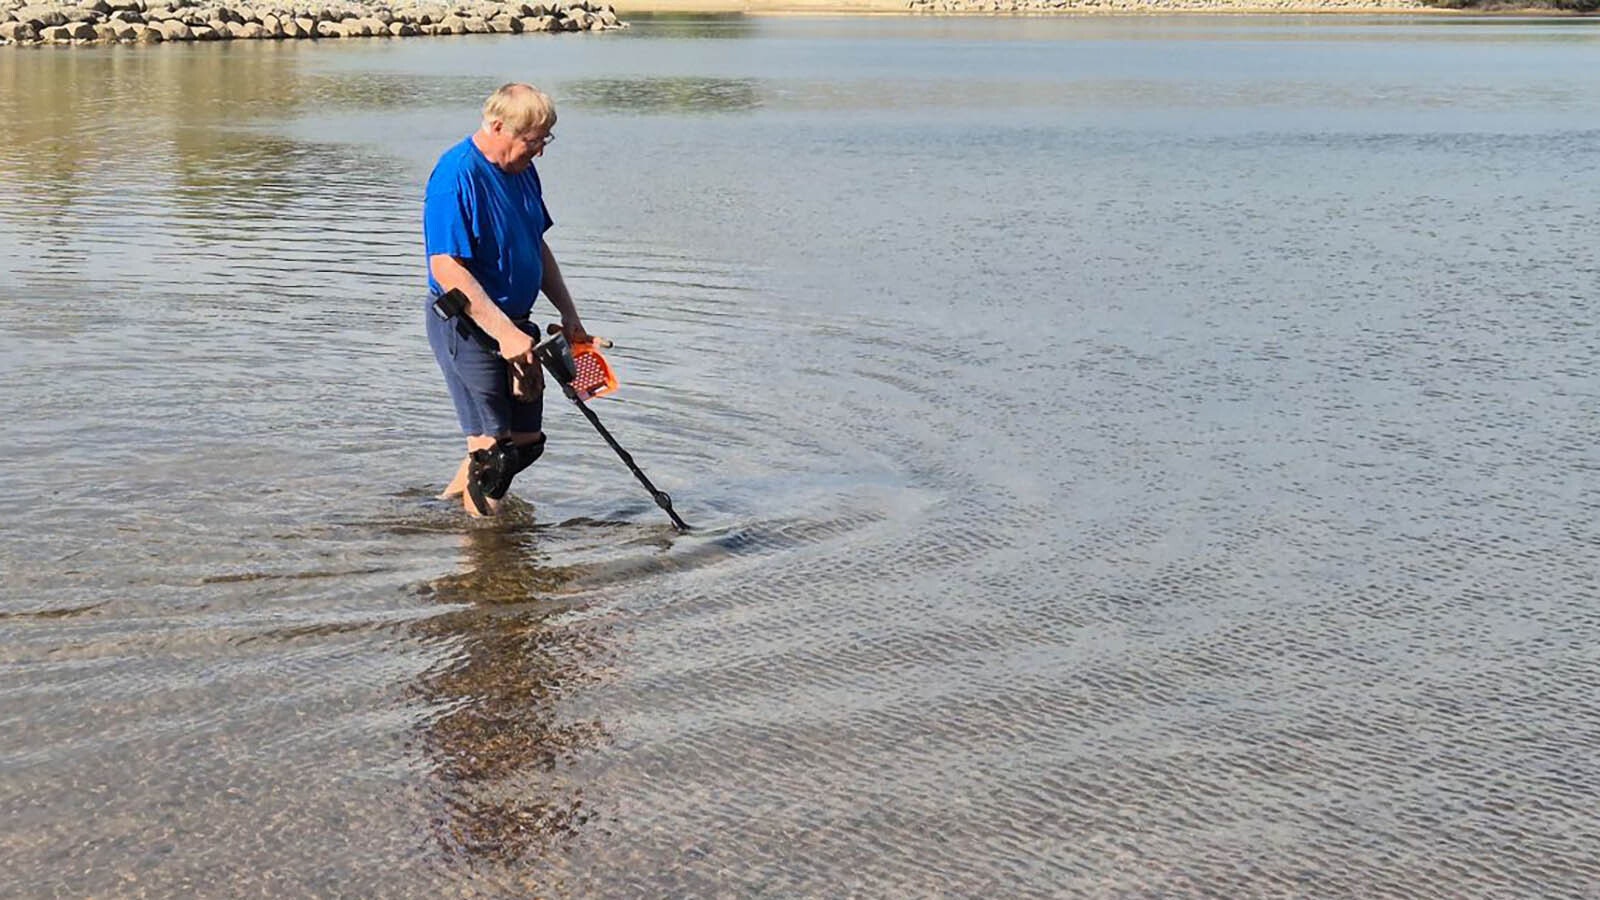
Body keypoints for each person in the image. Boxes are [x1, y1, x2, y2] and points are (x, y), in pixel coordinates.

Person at [423, 82, 591, 517]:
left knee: (524, 444)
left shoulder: (522, 171)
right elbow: (447, 269)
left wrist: (568, 313)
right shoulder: (456, 175)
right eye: (533, 141)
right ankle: (484, 569)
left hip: (517, 324)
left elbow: (536, 244)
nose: (540, 152)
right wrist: (505, 335)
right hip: (468, 327)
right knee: (494, 456)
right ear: (498, 127)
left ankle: (439, 512)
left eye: (544, 140)